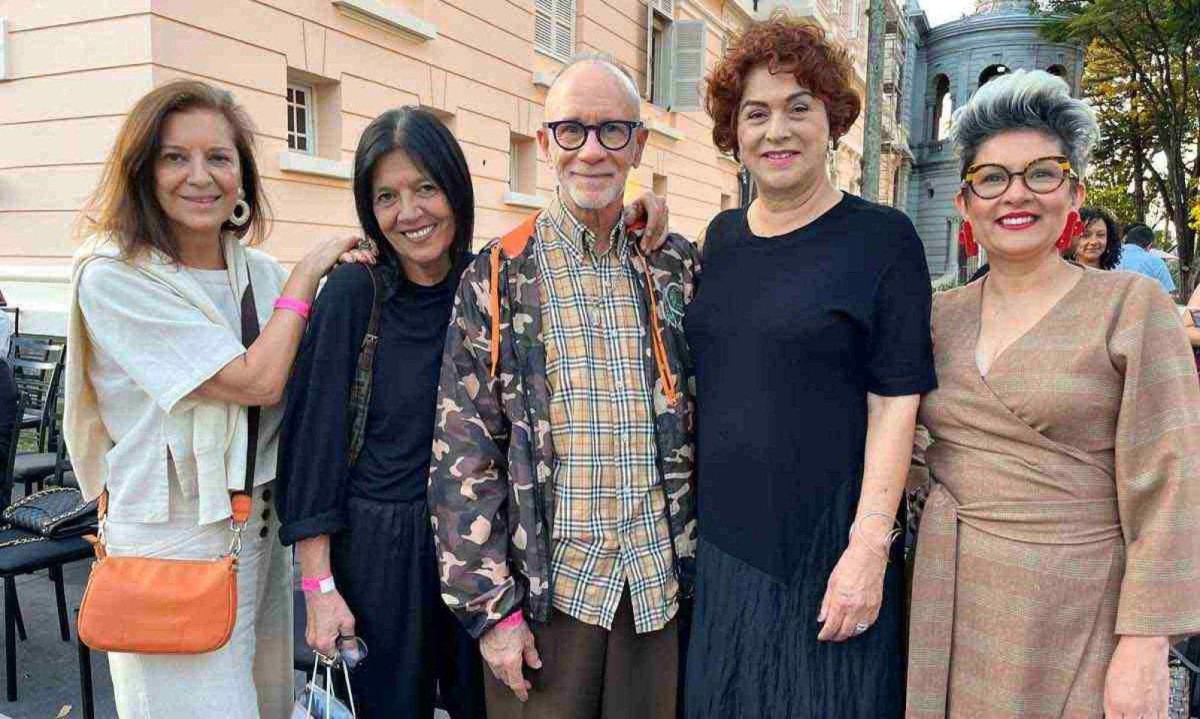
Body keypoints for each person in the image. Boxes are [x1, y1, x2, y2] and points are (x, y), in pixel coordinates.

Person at [275, 104, 669, 717]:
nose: (409, 213)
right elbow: (313, 445)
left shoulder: (489, 280)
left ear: (455, 189)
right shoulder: (358, 293)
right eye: (386, 197)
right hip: (383, 551)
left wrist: (642, 210)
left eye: (426, 188)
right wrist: (319, 588)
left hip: (478, 550)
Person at [908, 69, 1200, 718]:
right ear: (964, 202)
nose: (1016, 194)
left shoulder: (1131, 305)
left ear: (1075, 192)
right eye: (992, 178)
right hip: (947, 594)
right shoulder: (935, 316)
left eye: (1042, 173)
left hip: (1078, 607)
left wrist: (1146, 641)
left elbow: (1174, 477)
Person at [63, 80, 360, 717]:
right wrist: (310, 272)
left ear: (242, 176)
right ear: (143, 170)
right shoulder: (115, 274)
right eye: (175, 157)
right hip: (170, 540)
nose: (200, 176)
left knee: (263, 700)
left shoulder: (257, 273)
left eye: (219, 158)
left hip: (255, 529)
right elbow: (257, 380)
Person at [428, 52, 698, 719]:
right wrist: (492, 614)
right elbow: (462, 453)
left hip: (655, 590)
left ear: (638, 143)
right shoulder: (498, 274)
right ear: (545, 142)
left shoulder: (677, 267)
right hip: (549, 602)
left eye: (612, 130)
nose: (592, 151)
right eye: (572, 130)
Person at [683, 14, 935, 718]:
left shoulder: (882, 238)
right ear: (734, 132)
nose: (777, 130)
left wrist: (867, 552)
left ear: (833, 121)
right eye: (755, 113)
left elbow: (896, 401)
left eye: (800, 108)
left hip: (829, 554)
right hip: (728, 549)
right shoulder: (722, 238)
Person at [1116, 222, 1176, 294]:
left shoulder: (1107, 257)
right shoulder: (1157, 262)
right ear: (1149, 245)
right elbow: (1167, 294)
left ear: (1125, 239)